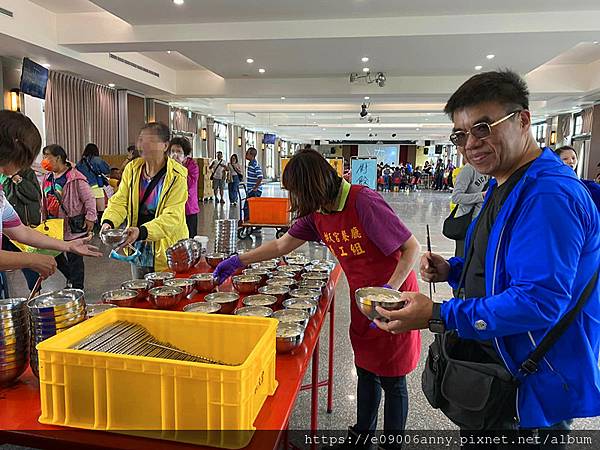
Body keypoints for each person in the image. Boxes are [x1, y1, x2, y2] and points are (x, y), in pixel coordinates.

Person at [375, 70, 600, 447]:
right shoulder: (506, 182)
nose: (470, 144)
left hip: (530, 385)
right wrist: (455, 269)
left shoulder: (548, 196)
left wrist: (438, 314)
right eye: (460, 135)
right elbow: (504, 263)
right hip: (501, 367)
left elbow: (539, 300)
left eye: (483, 127)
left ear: (523, 120)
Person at [214, 149, 421, 445]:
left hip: (393, 295)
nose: (296, 201)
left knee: (393, 377)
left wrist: (388, 293)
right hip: (361, 298)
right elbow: (281, 245)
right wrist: (240, 260)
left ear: (313, 186)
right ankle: (362, 434)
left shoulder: (362, 201)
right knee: (365, 367)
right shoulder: (319, 213)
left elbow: (410, 248)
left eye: (297, 192)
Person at [0, 111, 100, 285]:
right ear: (15, 148)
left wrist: (69, 246)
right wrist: (31, 260)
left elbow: (21, 231)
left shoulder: (75, 177)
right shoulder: (47, 178)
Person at [101, 122, 188, 278]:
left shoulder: (177, 175)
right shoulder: (132, 169)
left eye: (151, 141)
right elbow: (120, 201)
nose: (143, 145)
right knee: (140, 290)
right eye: (141, 140)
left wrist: (142, 231)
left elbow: (172, 217)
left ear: (165, 145)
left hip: (166, 246)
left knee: (165, 293)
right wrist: (109, 222)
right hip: (139, 244)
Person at [42, 145, 97, 289]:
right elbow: (44, 200)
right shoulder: (48, 177)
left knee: (75, 258)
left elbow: (89, 198)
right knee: (55, 254)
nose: (44, 160)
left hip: (73, 224)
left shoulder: (75, 177)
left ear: (58, 158)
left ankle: (77, 289)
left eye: (47, 156)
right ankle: (71, 279)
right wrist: (44, 218)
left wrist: (91, 217)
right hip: (54, 225)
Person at [1, 168, 43, 290]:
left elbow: (35, 196)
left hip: (23, 224)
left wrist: (18, 180)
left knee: (28, 266)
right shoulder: (3, 176)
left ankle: (35, 291)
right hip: (6, 228)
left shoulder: (27, 173)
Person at [449, 163, 488, 258]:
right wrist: (481, 196)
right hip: (466, 223)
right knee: (462, 259)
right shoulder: (469, 170)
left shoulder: (491, 170)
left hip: (483, 223)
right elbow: (456, 197)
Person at [168, 136, 199, 238]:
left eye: (179, 151)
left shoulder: (192, 166)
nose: (175, 154)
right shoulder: (167, 166)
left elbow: (188, 184)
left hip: (188, 209)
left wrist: (179, 167)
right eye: (172, 151)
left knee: (189, 238)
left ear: (185, 155)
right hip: (172, 210)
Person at [555, 145, 600, 210]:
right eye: (565, 159)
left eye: (573, 158)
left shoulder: (587, 185)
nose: (571, 161)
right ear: (556, 161)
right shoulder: (554, 183)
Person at [76, 143, 110, 228]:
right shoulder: (97, 160)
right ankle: (101, 227)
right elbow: (106, 170)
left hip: (84, 188)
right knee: (100, 209)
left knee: (89, 208)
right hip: (95, 186)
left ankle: (89, 227)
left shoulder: (80, 162)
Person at [243, 147, 263, 221]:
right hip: (251, 190)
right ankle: (251, 222)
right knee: (251, 207)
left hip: (254, 191)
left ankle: (248, 222)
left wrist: (255, 187)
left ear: (252, 155)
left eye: (247, 153)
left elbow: (260, 177)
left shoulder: (255, 164)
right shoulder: (250, 163)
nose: (245, 155)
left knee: (247, 207)